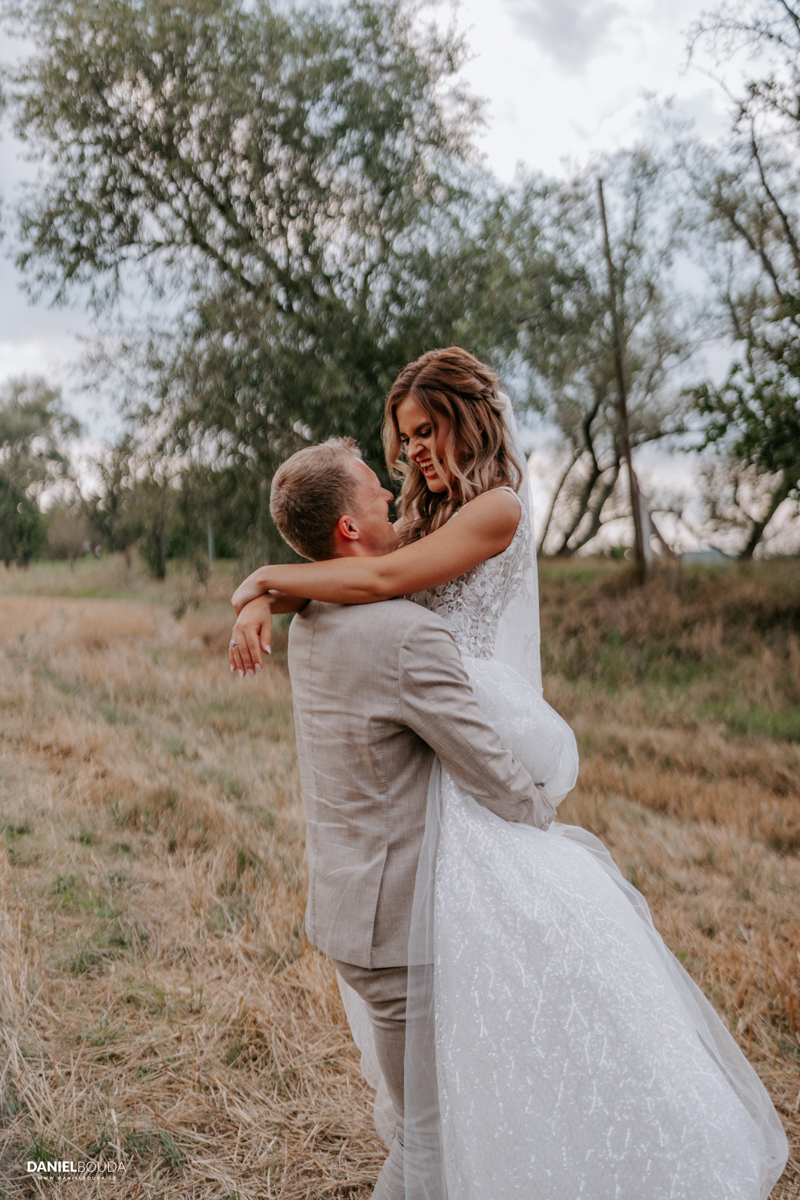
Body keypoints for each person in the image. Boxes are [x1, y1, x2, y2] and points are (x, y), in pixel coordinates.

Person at [230, 348, 788, 1200]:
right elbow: (356, 574)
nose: (411, 453)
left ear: (468, 418)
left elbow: (372, 576)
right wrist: (269, 600)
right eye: (403, 438)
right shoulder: (426, 521)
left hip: (474, 748)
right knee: (456, 1066)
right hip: (439, 783)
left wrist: (263, 579)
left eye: (426, 430)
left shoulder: (495, 509)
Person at [234, 435, 556, 1200]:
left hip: (355, 906)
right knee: (429, 1142)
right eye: (373, 485)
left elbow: (325, 586)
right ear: (348, 528)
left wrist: (254, 593)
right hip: (400, 928)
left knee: (425, 1130)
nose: (391, 492)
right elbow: (489, 770)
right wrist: (545, 815)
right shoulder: (406, 636)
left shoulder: (311, 621)